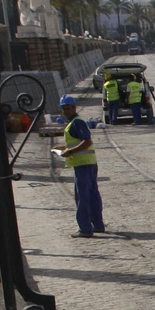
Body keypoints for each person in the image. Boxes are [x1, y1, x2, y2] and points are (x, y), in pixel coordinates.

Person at [52, 95, 104, 237]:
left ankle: (85, 228)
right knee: (92, 194)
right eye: (64, 109)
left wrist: (70, 152)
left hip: (83, 165)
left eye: (68, 108)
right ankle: (97, 224)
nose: (66, 111)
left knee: (82, 197)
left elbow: (87, 142)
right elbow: (78, 143)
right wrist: (63, 148)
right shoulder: (74, 122)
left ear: (74, 108)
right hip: (89, 163)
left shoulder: (76, 123)